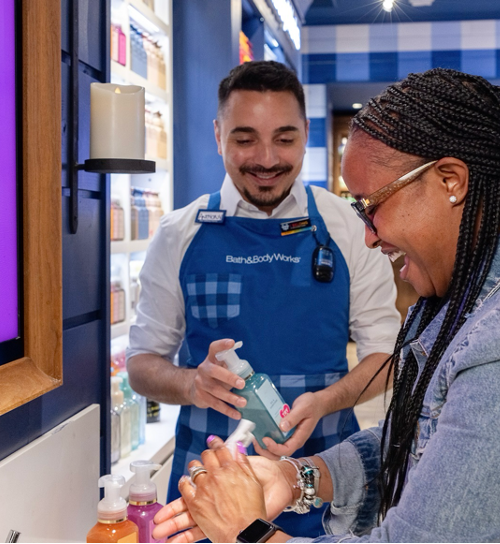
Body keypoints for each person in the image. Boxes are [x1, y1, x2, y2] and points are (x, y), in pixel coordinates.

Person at [151, 68, 500, 543]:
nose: (367, 236)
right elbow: (426, 443)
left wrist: (247, 533)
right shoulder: (466, 297)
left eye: (372, 206)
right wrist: (296, 478)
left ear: (450, 181)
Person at [125, 61, 401, 537]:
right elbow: (141, 364)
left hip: (324, 472)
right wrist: (193, 384)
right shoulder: (178, 234)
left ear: (306, 134)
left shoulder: (350, 228)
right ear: (218, 135)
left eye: (285, 138)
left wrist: (327, 400)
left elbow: (386, 357)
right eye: (245, 138)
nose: (267, 158)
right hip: (205, 484)